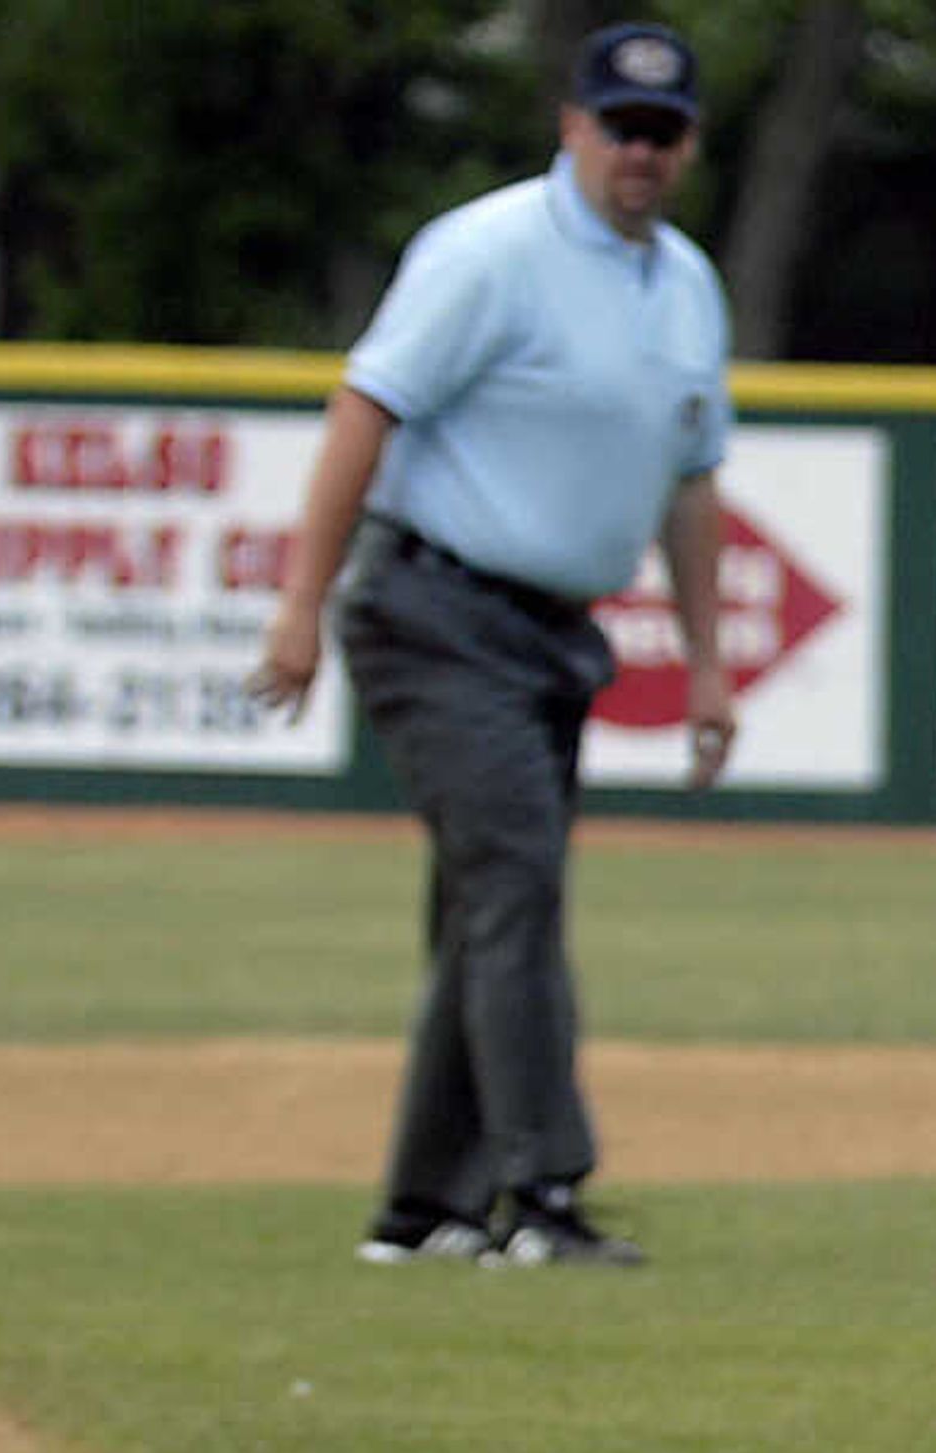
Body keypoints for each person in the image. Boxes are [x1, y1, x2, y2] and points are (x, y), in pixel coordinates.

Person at [248, 21, 739, 1269]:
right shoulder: (487, 252)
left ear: (688, 142)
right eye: (619, 127)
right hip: (433, 609)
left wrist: (708, 659)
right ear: (571, 125)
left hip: (553, 635)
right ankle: (542, 1191)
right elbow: (365, 409)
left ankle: (425, 1211)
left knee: (484, 908)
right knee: (515, 877)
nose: (641, 151)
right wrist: (300, 606)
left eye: (663, 130)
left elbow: (690, 480)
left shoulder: (685, 282)